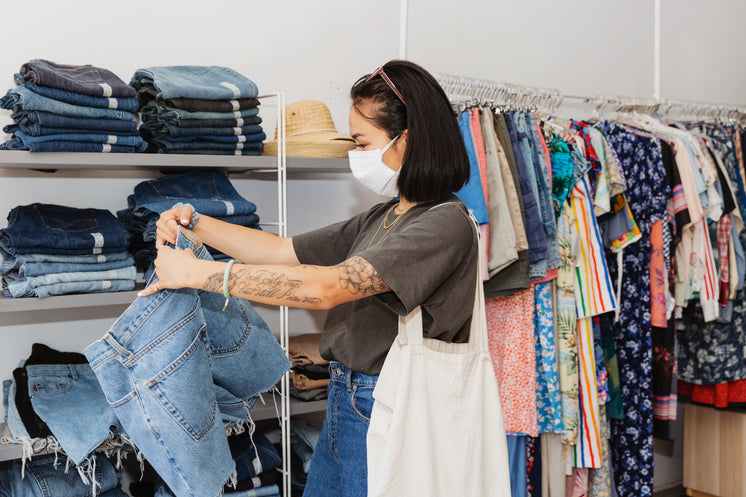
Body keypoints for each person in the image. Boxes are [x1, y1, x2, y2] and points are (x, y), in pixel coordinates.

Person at [141, 59, 478, 497]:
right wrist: (195, 223)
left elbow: (326, 288)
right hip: (347, 397)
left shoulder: (443, 224)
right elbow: (284, 251)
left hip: (390, 405)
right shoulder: (386, 215)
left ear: (407, 140)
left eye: (363, 143)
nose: (357, 156)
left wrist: (198, 272)